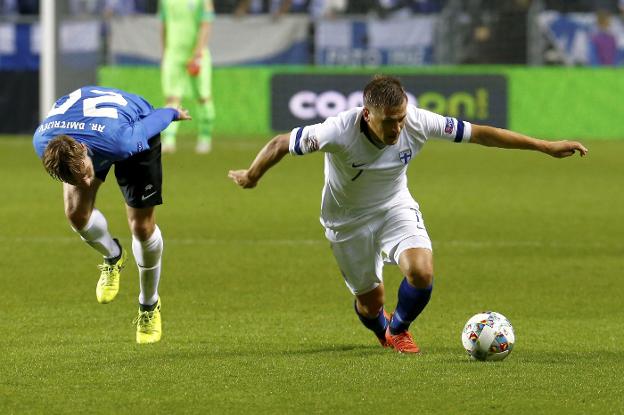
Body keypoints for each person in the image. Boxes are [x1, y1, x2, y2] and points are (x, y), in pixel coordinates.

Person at [228, 75, 588, 354]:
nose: (397, 128)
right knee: (370, 303)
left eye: (400, 119)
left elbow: (482, 135)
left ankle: (398, 330)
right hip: (345, 221)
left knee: (421, 271)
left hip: (394, 207)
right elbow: (280, 143)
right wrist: (251, 176)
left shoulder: (417, 121)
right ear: (367, 115)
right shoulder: (337, 130)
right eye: (389, 122)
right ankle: (381, 328)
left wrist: (544, 146)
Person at [33, 86, 191, 344]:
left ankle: (149, 305)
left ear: (83, 150)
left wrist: (173, 112)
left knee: (141, 228)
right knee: (76, 214)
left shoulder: (122, 140)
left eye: (84, 172)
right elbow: (77, 171)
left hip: (132, 124)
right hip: (94, 129)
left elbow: (156, 119)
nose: (85, 181)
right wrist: (80, 174)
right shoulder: (43, 142)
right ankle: (113, 256)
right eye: (74, 178)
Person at [160, 0, 216, 154]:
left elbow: (206, 23)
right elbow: (164, 25)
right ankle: (169, 140)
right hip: (174, 55)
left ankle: (205, 138)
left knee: (203, 97)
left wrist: (198, 53)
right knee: (172, 98)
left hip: (197, 54)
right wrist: (165, 52)